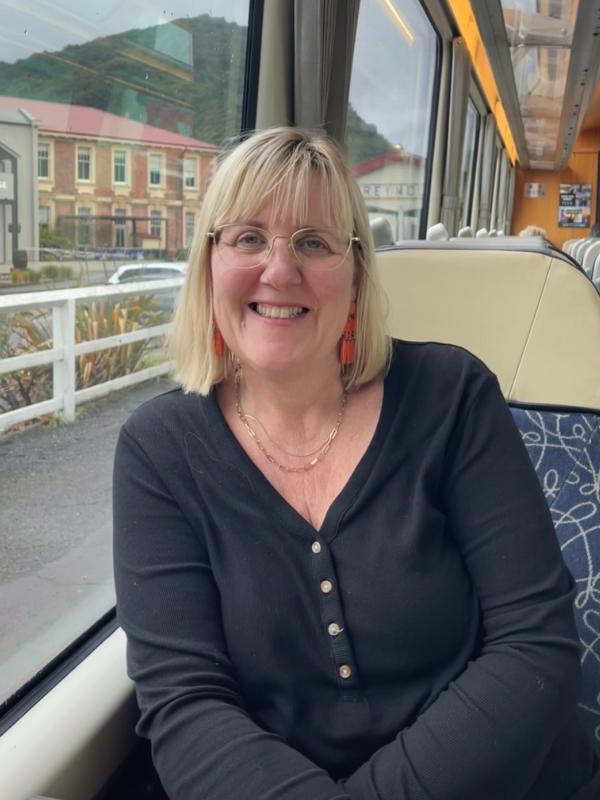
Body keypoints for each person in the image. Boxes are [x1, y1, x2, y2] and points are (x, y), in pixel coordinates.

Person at [113, 127, 600, 800]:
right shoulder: (159, 449)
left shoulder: (451, 396)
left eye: (313, 242)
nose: (279, 271)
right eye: (248, 237)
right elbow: (186, 702)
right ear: (209, 264)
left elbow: (533, 649)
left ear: (356, 273)